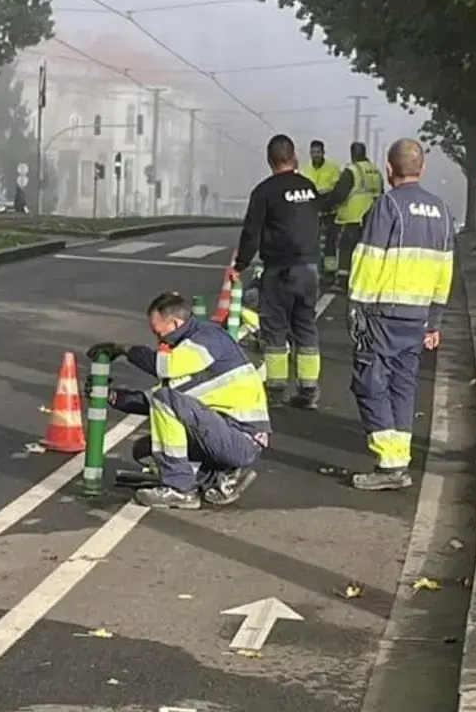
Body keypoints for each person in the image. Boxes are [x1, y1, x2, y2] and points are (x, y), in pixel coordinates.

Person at [347, 138, 455, 491]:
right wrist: (434, 321)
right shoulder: (441, 210)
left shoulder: (387, 205)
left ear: (389, 169)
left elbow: (369, 258)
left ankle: (389, 463)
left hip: (383, 314)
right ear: (421, 169)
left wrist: (357, 308)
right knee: (403, 386)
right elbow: (445, 271)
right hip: (418, 316)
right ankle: (399, 458)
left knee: (370, 382)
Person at [98, 290, 270, 510]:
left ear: (175, 322)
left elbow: (163, 370)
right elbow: (155, 398)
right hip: (226, 432)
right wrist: (111, 396)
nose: (158, 338)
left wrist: (124, 349)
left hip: (242, 438)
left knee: (165, 400)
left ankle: (180, 489)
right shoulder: (191, 345)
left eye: (158, 330)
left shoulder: (205, 340)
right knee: (146, 450)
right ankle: (218, 477)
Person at [233, 133, 322, 407]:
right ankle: (308, 390)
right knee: (306, 327)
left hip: (280, 270)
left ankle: (275, 389)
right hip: (309, 269)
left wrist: (240, 265)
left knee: (275, 330)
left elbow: (252, 233)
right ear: (294, 156)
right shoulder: (309, 188)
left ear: (269, 160)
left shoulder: (264, 191)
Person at [328, 141, 384, 287]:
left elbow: (339, 194)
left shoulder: (352, 170)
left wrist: (328, 204)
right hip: (373, 219)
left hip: (353, 217)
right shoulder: (375, 171)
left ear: (352, 154)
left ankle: (342, 281)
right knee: (368, 251)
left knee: (345, 248)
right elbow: (381, 194)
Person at [306, 139, 343, 283]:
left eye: (318, 152)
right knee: (311, 243)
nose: (315, 155)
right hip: (312, 212)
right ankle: (315, 270)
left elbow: (334, 190)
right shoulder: (306, 170)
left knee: (330, 244)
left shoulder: (332, 169)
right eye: (313, 152)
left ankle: (329, 273)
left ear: (323, 152)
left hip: (329, 212)